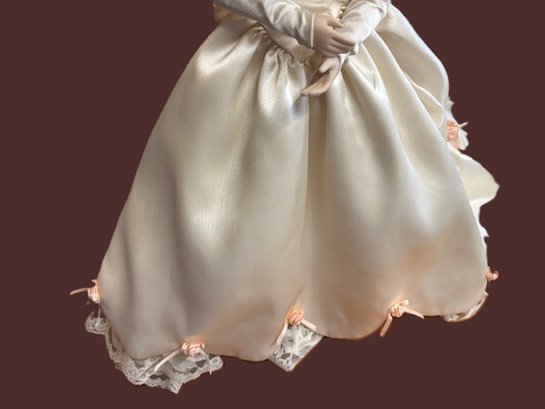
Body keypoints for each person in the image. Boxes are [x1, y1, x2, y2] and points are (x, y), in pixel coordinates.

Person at [69, 0, 500, 394]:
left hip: (355, 58)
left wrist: (352, 32)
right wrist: (300, 25)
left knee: (373, 183)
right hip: (264, 57)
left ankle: (365, 273)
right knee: (242, 195)